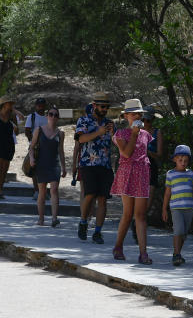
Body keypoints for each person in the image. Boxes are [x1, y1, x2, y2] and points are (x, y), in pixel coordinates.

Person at [110, 99, 153, 264]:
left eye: (139, 114)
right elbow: (127, 154)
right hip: (127, 174)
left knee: (140, 215)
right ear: (126, 116)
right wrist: (134, 134)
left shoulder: (146, 135)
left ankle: (143, 253)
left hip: (142, 174)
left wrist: (138, 133)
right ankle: (118, 246)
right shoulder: (120, 134)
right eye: (133, 113)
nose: (136, 116)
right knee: (128, 214)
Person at [74, 93, 115, 243]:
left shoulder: (110, 123)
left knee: (103, 199)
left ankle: (98, 232)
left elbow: (116, 143)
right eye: (102, 106)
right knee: (90, 195)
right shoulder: (84, 120)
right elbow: (81, 139)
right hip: (88, 164)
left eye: (107, 107)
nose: (105, 109)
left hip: (105, 165)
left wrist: (113, 134)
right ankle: (83, 222)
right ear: (95, 106)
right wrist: (98, 132)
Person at [162, 145, 193, 266]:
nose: (183, 163)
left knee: (184, 233)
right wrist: (164, 209)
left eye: (185, 160)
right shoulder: (170, 174)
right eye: (180, 160)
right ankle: (176, 254)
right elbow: (167, 193)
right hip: (176, 208)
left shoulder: (190, 174)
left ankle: (178, 253)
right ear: (174, 159)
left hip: (188, 208)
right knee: (178, 230)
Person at [28, 106, 66, 226]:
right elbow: (31, 147)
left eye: (55, 115)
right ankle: (41, 218)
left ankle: (54, 219)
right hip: (41, 164)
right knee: (42, 191)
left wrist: (64, 167)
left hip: (54, 164)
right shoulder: (38, 130)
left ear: (58, 118)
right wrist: (32, 158)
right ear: (47, 116)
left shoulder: (60, 133)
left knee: (54, 190)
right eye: (51, 114)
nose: (53, 117)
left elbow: (61, 151)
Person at [131, 106, 163, 240]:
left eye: (148, 120)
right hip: (138, 168)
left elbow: (160, 154)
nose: (145, 123)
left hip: (151, 167)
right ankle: (138, 230)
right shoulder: (136, 132)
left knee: (148, 204)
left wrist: (148, 152)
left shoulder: (157, 133)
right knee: (137, 202)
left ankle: (136, 223)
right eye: (143, 120)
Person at [25, 96, 49, 199]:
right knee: (34, 168)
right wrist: (32, 142)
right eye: (39, 105)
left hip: (47, 146)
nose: (40, 107)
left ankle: (44, 191)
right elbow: (27, 130)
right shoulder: (32, 117)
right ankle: (36, 190)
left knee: (46, 169)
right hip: (35, 147)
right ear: (36, 106)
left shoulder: (48, 116)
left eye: (42, 105)